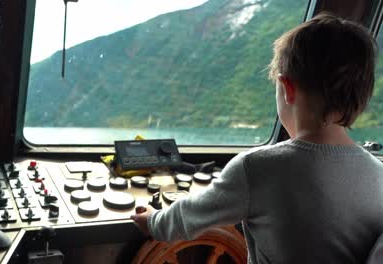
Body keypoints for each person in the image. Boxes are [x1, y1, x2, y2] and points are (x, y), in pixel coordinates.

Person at [131, 13, 383, 263]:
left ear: (287, 89)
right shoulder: (378, 174)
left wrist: (152, 219)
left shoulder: (257, 168)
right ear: (361, 98)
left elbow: (185, 218)